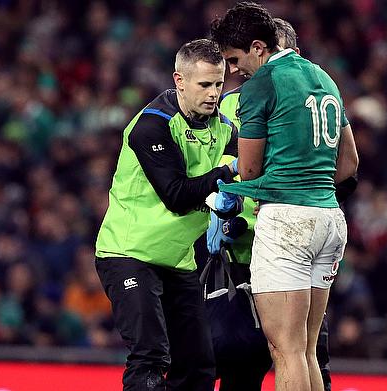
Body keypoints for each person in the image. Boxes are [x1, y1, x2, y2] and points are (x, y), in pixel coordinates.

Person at [211, 3, 359, 391]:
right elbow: (349, 164)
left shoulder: (262, 84)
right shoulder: (323, 76)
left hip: (287, 223)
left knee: (287, 351)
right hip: (329, 218)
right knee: (307, 350)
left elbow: (249, 170)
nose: (232, 70)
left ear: (258, 48)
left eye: (234, 58)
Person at [95, 39, 241, 391]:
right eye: (204, 84)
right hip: (129, 254)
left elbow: (228, 189)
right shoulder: (152, 125)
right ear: (179, 81)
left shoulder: (225, 129)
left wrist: (230, 203)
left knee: (198, 366)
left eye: (219, 84)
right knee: (151, 357)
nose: (213, 93)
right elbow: (176, 196)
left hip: (178, 259)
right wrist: (231, 171)